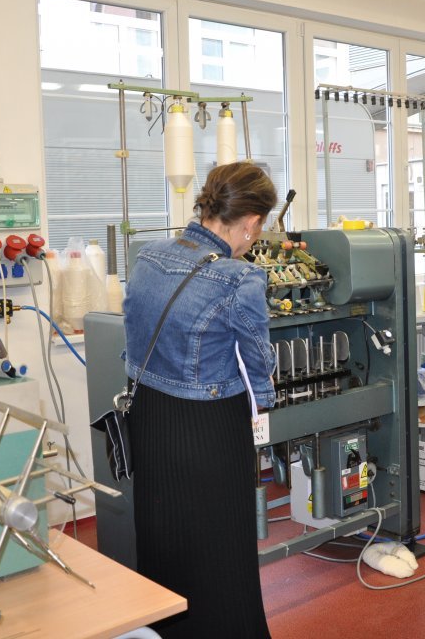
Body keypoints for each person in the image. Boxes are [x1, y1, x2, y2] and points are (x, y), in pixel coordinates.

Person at [122, 161, 277, 638]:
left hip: (149, 420)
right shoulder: (239, 278)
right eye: (259, 229)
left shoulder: (148, 256)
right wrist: (265, 401)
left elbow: (132, 334)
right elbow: (258, 361)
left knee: (164, 540)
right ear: (251, 222)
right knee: (220, 550)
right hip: (208, 431)